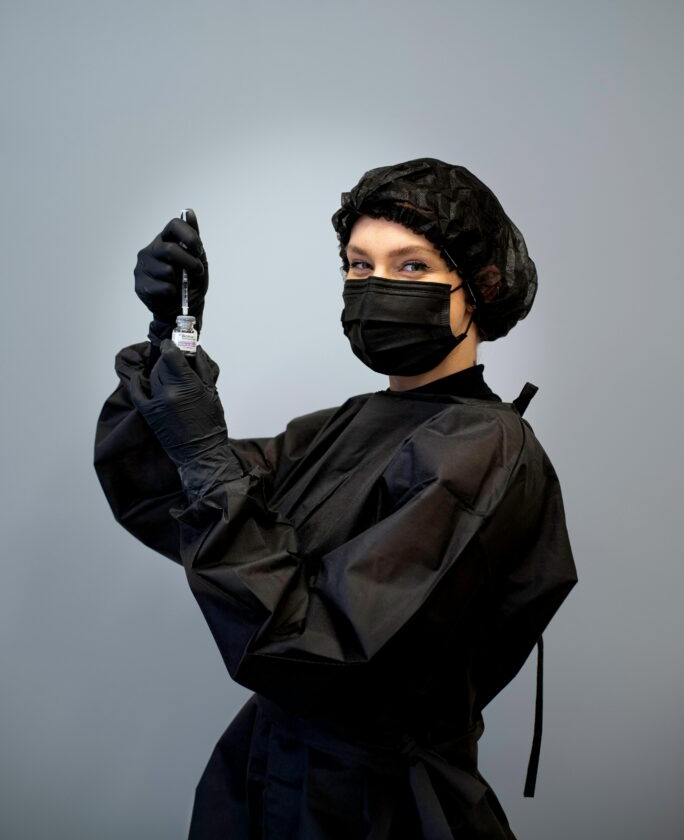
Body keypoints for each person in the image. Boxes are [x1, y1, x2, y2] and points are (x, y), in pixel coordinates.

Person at [94, 157, 578, 840]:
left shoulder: (483, 451)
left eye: (410, 267)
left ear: (482, 288)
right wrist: (173, 336)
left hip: (374, 810)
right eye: (358, 265)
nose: (376, 286)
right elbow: (165, 499)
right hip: (267, 782)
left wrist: (206, 457)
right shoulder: (344, 426)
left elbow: (320, 654)